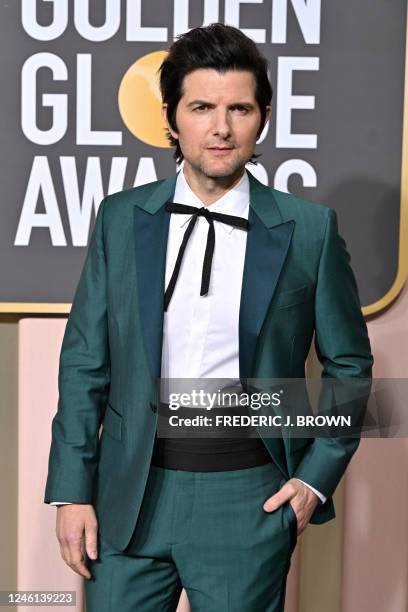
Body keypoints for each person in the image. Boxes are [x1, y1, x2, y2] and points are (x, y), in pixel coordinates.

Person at [44, 23, 373, 611]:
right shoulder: (120, 220)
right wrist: (72, 489)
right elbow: (84, 364)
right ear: (171, 117)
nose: (221, 128)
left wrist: (314, 480)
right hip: (128, 495)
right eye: (202, 107)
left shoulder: (309, 230)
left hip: (248, 496)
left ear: (263, 116)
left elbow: (349, 364)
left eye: (239, 108)